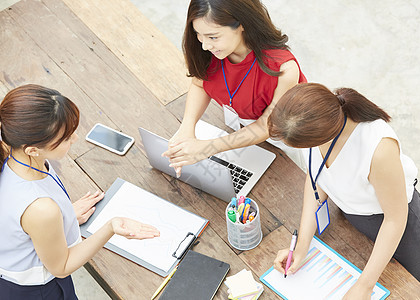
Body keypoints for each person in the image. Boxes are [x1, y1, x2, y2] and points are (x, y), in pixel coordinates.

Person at [270, 83, 420, 299]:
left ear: (322, 135)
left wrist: (364, 286)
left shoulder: (377, 148)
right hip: (353, 220)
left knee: (418, 294)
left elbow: (395, 219)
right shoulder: (316, 126)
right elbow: (316, 178)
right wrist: (302, 246)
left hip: (400, 230)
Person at [0, 85, 160, 299]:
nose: (74, 139)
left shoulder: (15, 157)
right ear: (33, 149)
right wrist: (110, 227)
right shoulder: (41, 209)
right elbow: (62, 266)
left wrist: (65, 217)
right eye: (65, 138)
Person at [162, 0, 308, 176]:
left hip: (287, 137)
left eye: (213, 37)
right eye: (198, 34)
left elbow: (265, 126)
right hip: (243, 129)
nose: (205, 45)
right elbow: (199, 84)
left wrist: (206, 149)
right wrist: (186, 129)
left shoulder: (283, 68)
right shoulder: (209, 52)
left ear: (241, 24)